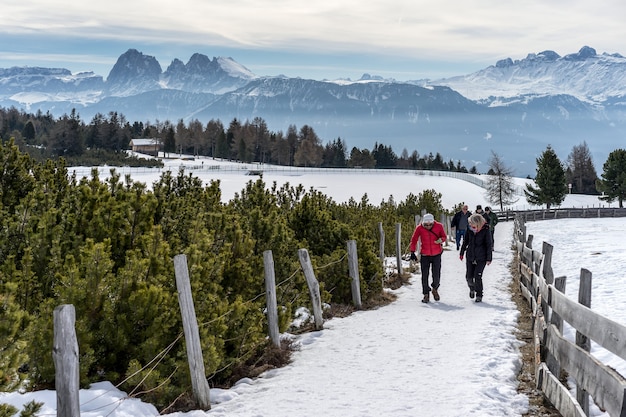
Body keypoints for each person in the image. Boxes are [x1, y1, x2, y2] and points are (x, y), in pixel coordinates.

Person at [409, 213, 447, 303]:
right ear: (423, 223)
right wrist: (412, 252)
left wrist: (441, 240)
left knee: (436, 274)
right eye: (426, 225)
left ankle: (435, 288)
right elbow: (414, 240)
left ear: (433, 222)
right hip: (425, 254)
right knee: (424, 275)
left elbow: (444, 236)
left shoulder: (439, 226)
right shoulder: (419, 228)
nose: (428, 226)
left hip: (436, 254)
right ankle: (426, 294)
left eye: (430, 225)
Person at [459, 213, 492, 303]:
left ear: (477, 223)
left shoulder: (485, 229)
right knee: (469, 277)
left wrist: (489, 258)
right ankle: (472, 288)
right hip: (470, 255)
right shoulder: (469, 230)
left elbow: (489, 244)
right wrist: (461, 252)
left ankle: (479, 295)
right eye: (469, 223)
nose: (470, 225)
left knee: (478, 276)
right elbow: (465, 242)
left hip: (481, 257)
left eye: (471, 223)